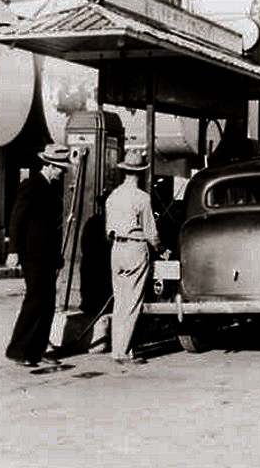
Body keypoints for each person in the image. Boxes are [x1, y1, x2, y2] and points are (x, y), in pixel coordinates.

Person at [4, 144, 71, 367]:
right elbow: (17, 219)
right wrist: (13, 250)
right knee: (35, 300)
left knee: (48, 302)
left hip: (47, 255)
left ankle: (36, 350)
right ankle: (19, 350)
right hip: (32, 255)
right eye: (60, 168)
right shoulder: (31, 186)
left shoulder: (51, 189)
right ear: (49, 166)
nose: (62, 173)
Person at [105, 149, 162, 363]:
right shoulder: (142, 198)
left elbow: (108, 230)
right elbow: (151, 232)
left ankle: (118, 348)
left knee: (120, 299)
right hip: (135, 249)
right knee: (133, 301)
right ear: (141, 173)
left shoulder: (113, 196)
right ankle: (122, 351)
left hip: (116, 249)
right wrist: (160, 248)